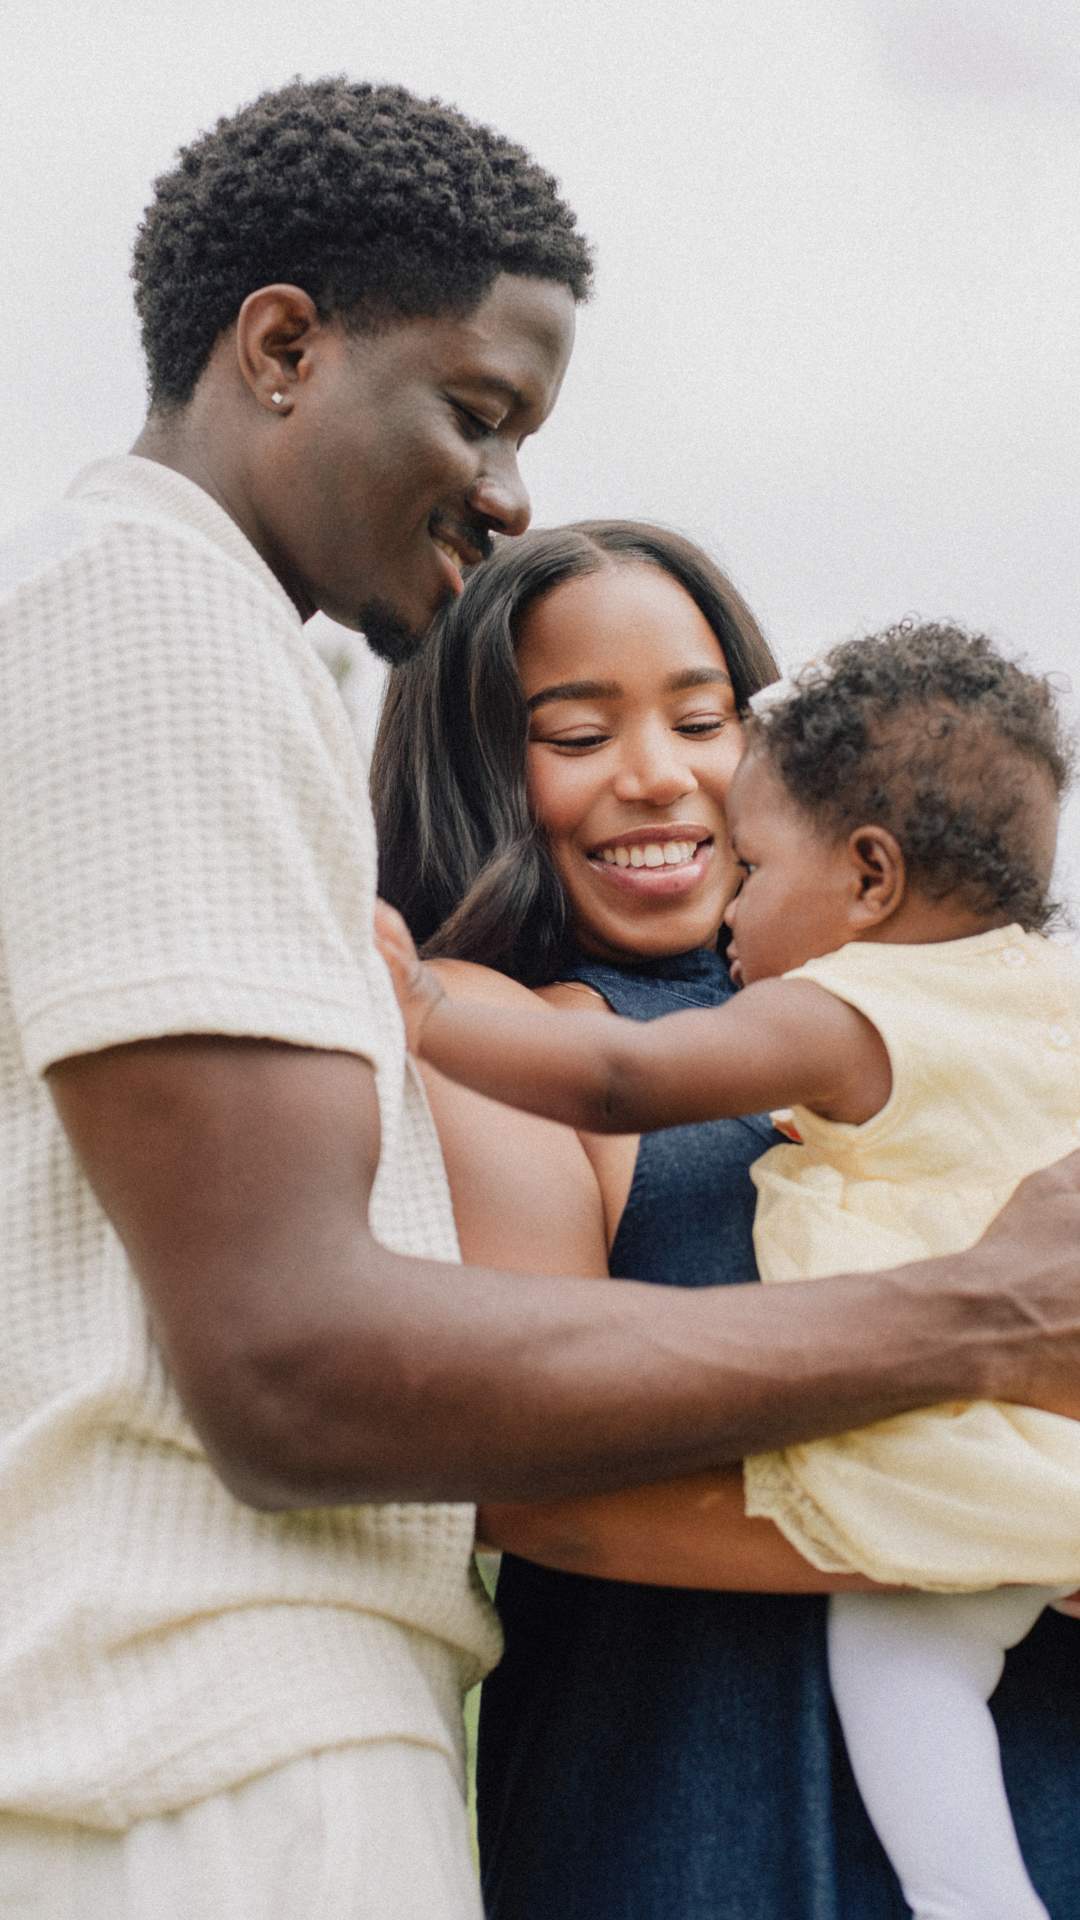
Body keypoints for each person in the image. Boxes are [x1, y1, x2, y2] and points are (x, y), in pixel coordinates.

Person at [1, 78, 1077, 1919]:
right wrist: (988, 1331)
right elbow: (302, 1365)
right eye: (481, 416)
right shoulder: (159, 623)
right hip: (235, 1744)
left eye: (707, 723)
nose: (507, 494)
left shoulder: (938, 1020)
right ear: (280, 347)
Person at [372, 527, 1080, 1919]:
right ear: (484, 772)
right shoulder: (508, 1038)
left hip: (1025, 1754)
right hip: (695, 1809)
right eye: (576, 733)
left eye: (703, 719)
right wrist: (1022, 1530)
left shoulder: (965, 1030)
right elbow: (534, 1485)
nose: (659, 772)